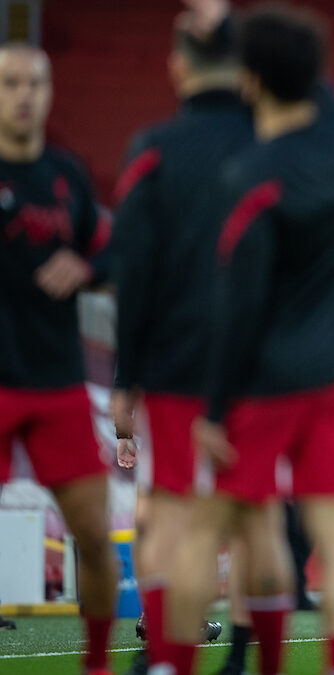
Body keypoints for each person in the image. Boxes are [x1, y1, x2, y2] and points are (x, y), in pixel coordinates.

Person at [161, 6, 334, 674]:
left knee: (208, 531)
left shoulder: (251, 176)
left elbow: (239, 304)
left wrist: (217, 409)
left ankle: (171, 664)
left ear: (250, 81)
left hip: (266, 381)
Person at [110, 4, 244, 671]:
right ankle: (249, 652)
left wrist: (124, 376)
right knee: (252, 518)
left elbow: (132, 271)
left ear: (175, 66)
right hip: (259, 367)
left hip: (175, 360)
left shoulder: (154, 150)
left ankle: (162, 654)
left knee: (167, 511)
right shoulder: (267, 144)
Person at [0, 42, 117, 675]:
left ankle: (96, 663)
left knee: (95, 539)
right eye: (10, 82)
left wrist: (90, 265)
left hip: (56, 384)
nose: (23, 94)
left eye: (35, 83)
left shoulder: (69, 177)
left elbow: (116, 249)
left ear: (49, 92)